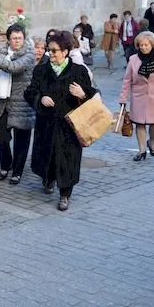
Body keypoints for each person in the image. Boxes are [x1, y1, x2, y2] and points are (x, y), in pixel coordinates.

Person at [24, 31, 98, 211]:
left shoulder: (78, 71)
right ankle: (48, 179)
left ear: (65, 51)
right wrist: (40, 99)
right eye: (50, 50)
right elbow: (30, 91)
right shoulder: (41, 70)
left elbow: (92, 94)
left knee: (67, 159)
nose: (51, 54)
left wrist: (83, 94)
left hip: (69, 125)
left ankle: (65, 193)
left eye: (55, 51)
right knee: (47, 155)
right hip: (47, 122)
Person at [0, 24, 35, 185]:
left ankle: (17, 172)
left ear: (24, 38)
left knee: (21, 142)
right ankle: (6, 164)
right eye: (14, 38)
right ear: (8, 40)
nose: (17, 41)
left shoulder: (29, 55)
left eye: (20, 38)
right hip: (5, 102)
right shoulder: (3, 54)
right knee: (1, 136)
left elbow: (14, 68)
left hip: (23, 104)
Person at [118, 32, 154, 161]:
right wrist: (123, 98)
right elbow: (127, 80)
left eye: (146, 45)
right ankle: (142, 150)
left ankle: (152, 142)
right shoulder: (133, 59)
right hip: (139, 98)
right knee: (139, 124)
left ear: (152, 45)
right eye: (141, 45)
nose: (143, 47)